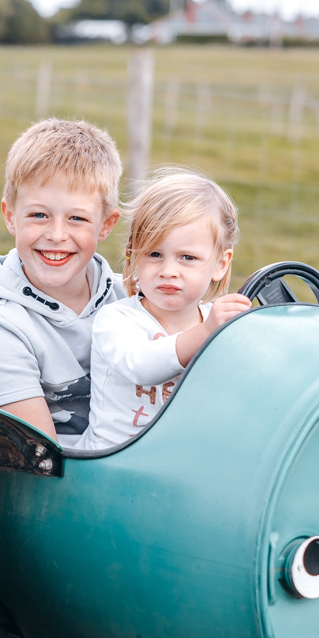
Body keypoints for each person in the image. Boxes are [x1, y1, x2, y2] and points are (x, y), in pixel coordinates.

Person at [0, 118, 124, 447]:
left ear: (106, 225)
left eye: (77, 218)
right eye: (39, 215)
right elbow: (43, 460)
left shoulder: (130, 297)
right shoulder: (0, 331)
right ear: (10, 216)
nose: (56, 235)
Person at [79, 169, 251, 450]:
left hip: (181, 459)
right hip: (111, 462)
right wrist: (208, 331)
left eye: (187, 258)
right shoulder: (116, 320)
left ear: (220, 263)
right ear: (133, 254)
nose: (169, 271)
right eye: (155, 254)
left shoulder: (219, 323)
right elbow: (141, 365)